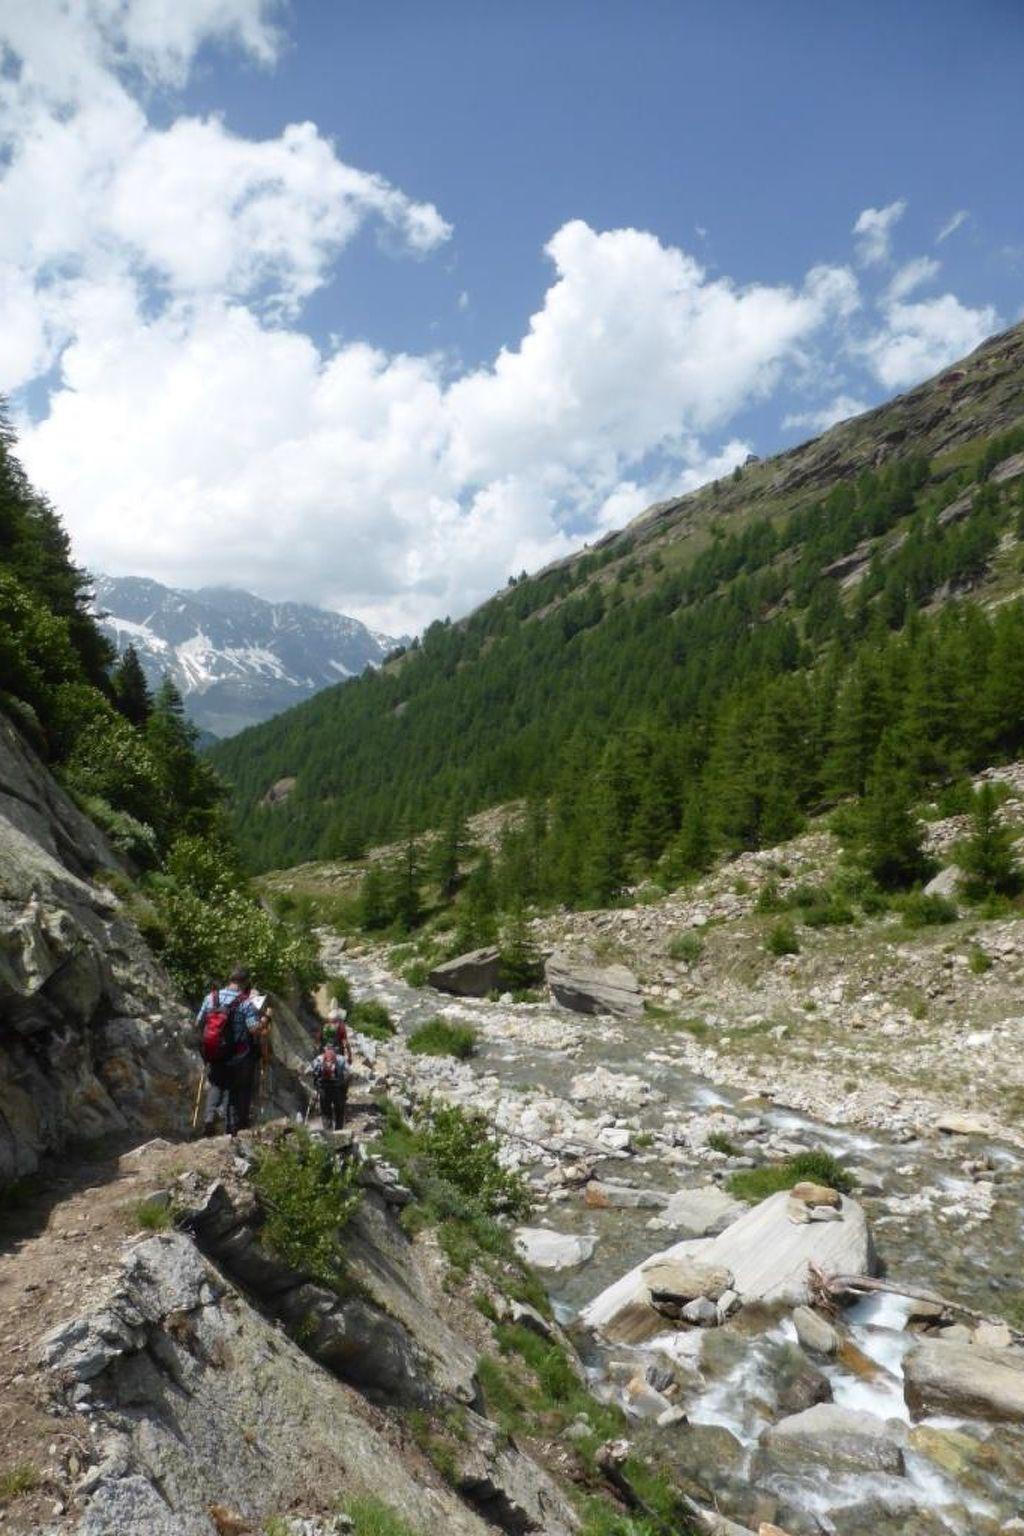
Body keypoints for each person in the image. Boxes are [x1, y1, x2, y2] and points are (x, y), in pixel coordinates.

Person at [196, 966, 264, 1137]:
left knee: (216, 1084)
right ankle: (229, 1130)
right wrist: (265, 1019)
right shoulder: (246, 1002)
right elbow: (254, 1029)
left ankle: (209, 1118)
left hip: (214, 1051)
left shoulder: (211, 997)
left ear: (230, 979)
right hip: (237, 1055)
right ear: (245, 982)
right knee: (233, 1089)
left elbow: (199, 1022)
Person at [311, 1043, 349, 1130]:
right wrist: (345, 1088)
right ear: (335, 1049)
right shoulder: (341, 1059)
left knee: (325, 1111)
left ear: (325, 1049)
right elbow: (348, 1073)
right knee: (339, 1111)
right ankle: (339, 1130)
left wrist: (316, 1084)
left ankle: (328, 1132)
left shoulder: (319, 1059)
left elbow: (312, 1071)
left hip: (324, 1088)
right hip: (337, 1088)